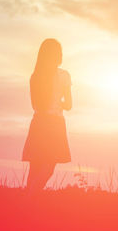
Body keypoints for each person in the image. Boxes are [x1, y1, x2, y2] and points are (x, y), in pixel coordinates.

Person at [22, 38, 72, 192]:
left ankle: (27, 200)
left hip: (39, 123)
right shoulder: (64, 76)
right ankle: (30, 198)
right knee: (49, 167)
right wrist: (59, 102)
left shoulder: (35, 76)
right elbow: (69, 105)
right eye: (59, 52)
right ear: (54, 55)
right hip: (55, 124)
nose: (62, 55)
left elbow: (35, 105)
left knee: (35, 167)